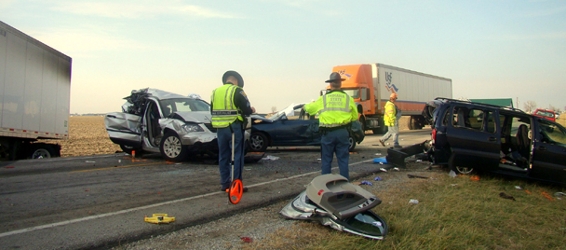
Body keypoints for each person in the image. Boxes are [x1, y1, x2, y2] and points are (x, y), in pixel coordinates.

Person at [304, 72, 358, 180]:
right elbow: (355, 116)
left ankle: (326, 185)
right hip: (343, 132)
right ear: (340, 84)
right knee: (343, 160)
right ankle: (344, 185)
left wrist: (306, 106)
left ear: (330, 84)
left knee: (326, 160)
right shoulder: (348, 99)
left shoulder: (323, 99)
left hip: (327, 133)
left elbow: (309, 109)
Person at [211, 70, 255, 192]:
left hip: (220, 128)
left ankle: (225, 184)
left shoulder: (215, 92)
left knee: (223, 155)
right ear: (236, 81)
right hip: (234, 127)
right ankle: (237, 185)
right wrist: (251, 110)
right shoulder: (237, 90)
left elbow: (212, 110)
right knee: (237, 156)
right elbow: (246, 108)